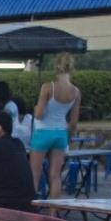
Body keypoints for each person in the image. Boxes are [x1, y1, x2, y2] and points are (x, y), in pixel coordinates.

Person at [29, 53, 81, 196]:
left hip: (43, 132)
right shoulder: (76, 92)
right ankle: (53, 212)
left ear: (56, 67)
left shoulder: (48, 87)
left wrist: (36, 108)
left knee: (34, 173)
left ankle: (31, 212)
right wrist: (69, 137)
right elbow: (74, 122)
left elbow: (39, 114)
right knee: (56, 176)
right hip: (60, 134)